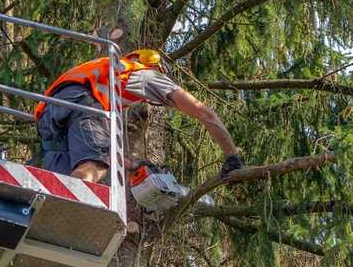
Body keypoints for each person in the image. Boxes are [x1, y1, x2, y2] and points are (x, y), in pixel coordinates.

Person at [34, 49, 243, 182]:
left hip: (49, 114)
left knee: (63, 177)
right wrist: (232, 156)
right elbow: (204, 113)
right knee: (94, 166)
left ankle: (52, 210)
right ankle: (69, 208)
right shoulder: (146, 73)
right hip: (83, 103)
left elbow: (92, 144)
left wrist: (133, 165)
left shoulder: (110, 74)